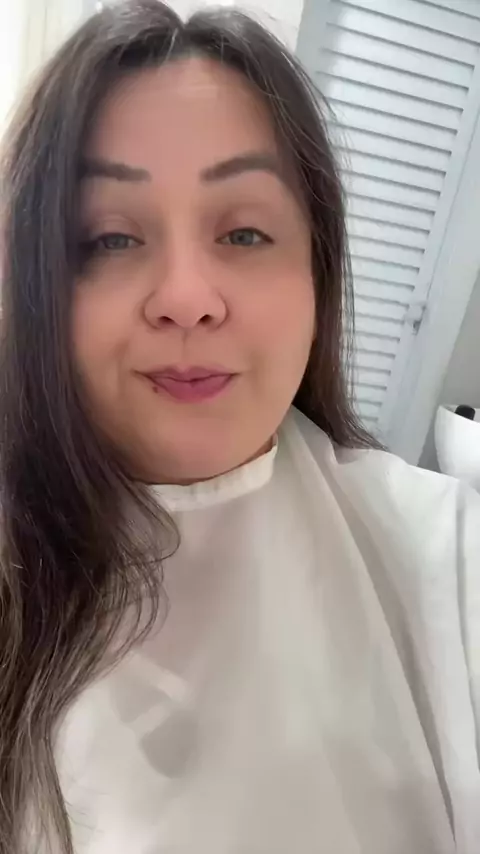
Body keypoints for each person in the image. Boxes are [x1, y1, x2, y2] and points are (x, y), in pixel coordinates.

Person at [0, 1, 478, 852]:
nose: (187, 298)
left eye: (246, 232)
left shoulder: (449, 556)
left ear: (318, 276)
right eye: (109, 239)